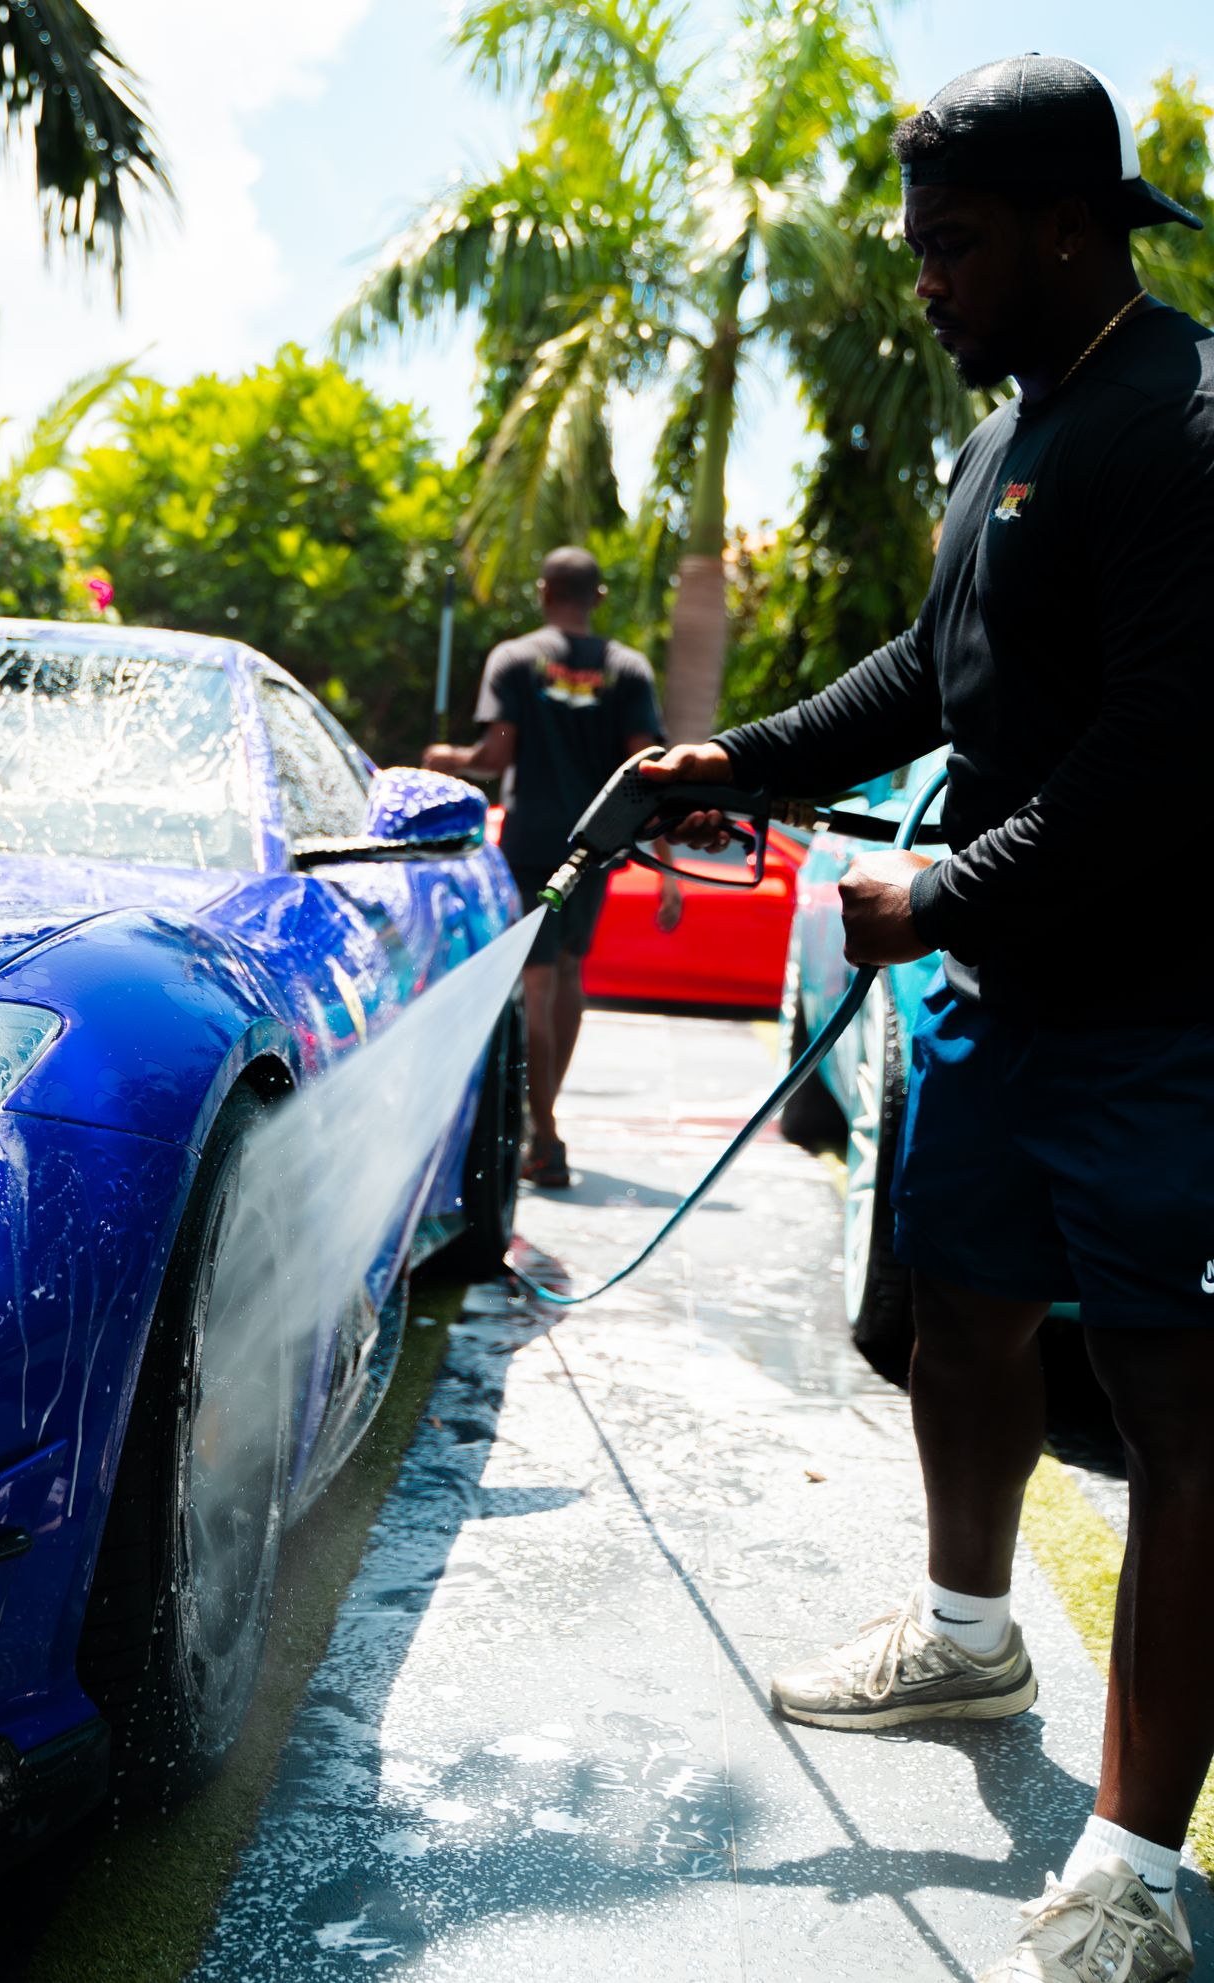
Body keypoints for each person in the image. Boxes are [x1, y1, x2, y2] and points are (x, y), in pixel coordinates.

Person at [649, 54, 1212, 1983]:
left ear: (1072, 225)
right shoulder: (1013, 437)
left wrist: (938, 889)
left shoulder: (1183, 422)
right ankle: (973, 1641)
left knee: (1181, 1413)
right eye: (917, 248)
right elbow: (938, 667)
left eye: (953, 246)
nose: (924, 285)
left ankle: (1133, 1864)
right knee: (961, 1314)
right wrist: (748, 752)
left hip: (1167, 1018)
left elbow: (1167, 757)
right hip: (1002, 997)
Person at [424, 546, 681, 1188]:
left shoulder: (515, 659)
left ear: (544, 593)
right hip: (598, 842)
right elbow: (648, 768)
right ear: (597, 597)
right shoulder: (626, 669)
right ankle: (544, 1122)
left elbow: (493, 753)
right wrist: (669, 866)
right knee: (568, 975)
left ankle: (545, 1138)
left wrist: (446, 757)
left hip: (533, 838)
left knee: (534, 985)